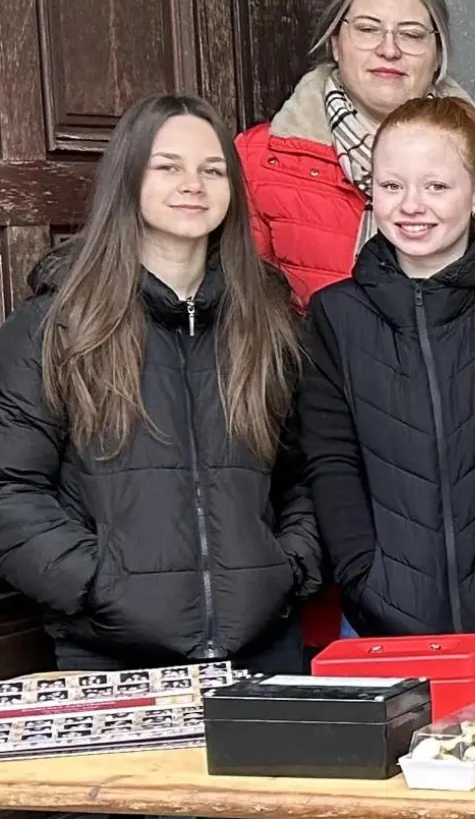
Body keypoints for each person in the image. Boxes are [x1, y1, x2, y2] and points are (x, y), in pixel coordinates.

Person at [0, 94, 320, 673]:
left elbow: (301, 476)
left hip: (264, 655)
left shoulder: (267, 323)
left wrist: (285, 567)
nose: (192, 183)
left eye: (212, 169)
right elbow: (10, 488)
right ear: (127, 178)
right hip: (112, 658)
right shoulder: (55, 326)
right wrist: (96, 586)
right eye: (167, 165)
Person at [297, 97, 475, 683]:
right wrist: (364, 581)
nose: (411, 206)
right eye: (392, 185)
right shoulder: (336, 315)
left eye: (437, 186)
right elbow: (332, 464)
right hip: (381, 634)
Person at [238, 0, 475, 309]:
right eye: (367, 29)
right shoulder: (261, 158)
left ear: (437, 54)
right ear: (336, 42)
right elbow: (245, 313)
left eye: (410, 34)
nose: (389, 49)